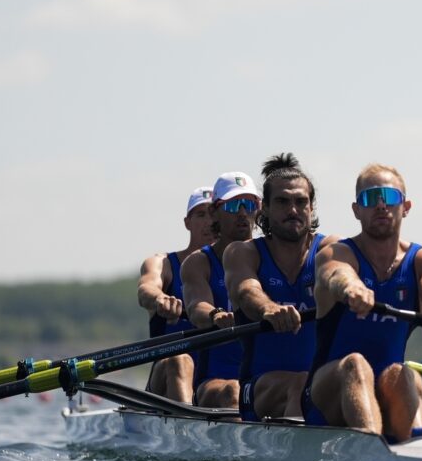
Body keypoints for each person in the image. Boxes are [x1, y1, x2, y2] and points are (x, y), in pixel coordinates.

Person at [302, 164, 422, 442]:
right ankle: (371, 446)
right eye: (370, 198)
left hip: (388, 388)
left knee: (403, 373)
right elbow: (336, 274)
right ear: (356, 210)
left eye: (390, 197)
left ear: (406, 206)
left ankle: (418, 447)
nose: (381, 205)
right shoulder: (336, 253)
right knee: (356, 364)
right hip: (325, 396)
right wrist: (352, 288)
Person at [224, 153, 338, 421]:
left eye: (301, 202)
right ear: (264, 209)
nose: (293, 210)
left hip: (319, 385)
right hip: (259, 389)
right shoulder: (243, 252)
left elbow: (342, 273)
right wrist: (270, 309)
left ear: (312, 208)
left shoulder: (331, 249)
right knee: (299, 383)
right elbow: (246, 290)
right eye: (283, 202)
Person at [181, 171, 260, 408]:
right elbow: (197, 307)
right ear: (215, 212)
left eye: (249, 204)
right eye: (234, 205)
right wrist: (215, 315)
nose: (243, 213)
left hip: (263, 379)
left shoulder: (272, 256)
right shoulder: (198, 262)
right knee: (233, 391)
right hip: (216, 380)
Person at [137, 186, 215, 402]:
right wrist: (160, 298)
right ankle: (187, 428)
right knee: (179, 360)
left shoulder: (238, 267)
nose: (209, 222)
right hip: (164, 382)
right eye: (201, 214)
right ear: (187, 222)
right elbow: (146, 289)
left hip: (215, 384)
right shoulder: (163, 263)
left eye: (213, 214)